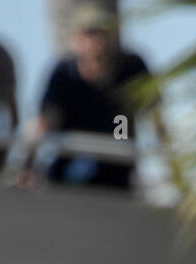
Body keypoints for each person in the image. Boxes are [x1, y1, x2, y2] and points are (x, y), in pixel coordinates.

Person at [27, 5, 153, 191]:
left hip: (119, 169)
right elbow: (45, 121)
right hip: (68, 167)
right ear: (75, 39)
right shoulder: (63, 74)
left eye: (103, 33)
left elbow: (155, 113)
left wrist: (175, 171)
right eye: (90, 34)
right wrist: (27, 165)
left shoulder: (132, 68)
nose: (97, 41)